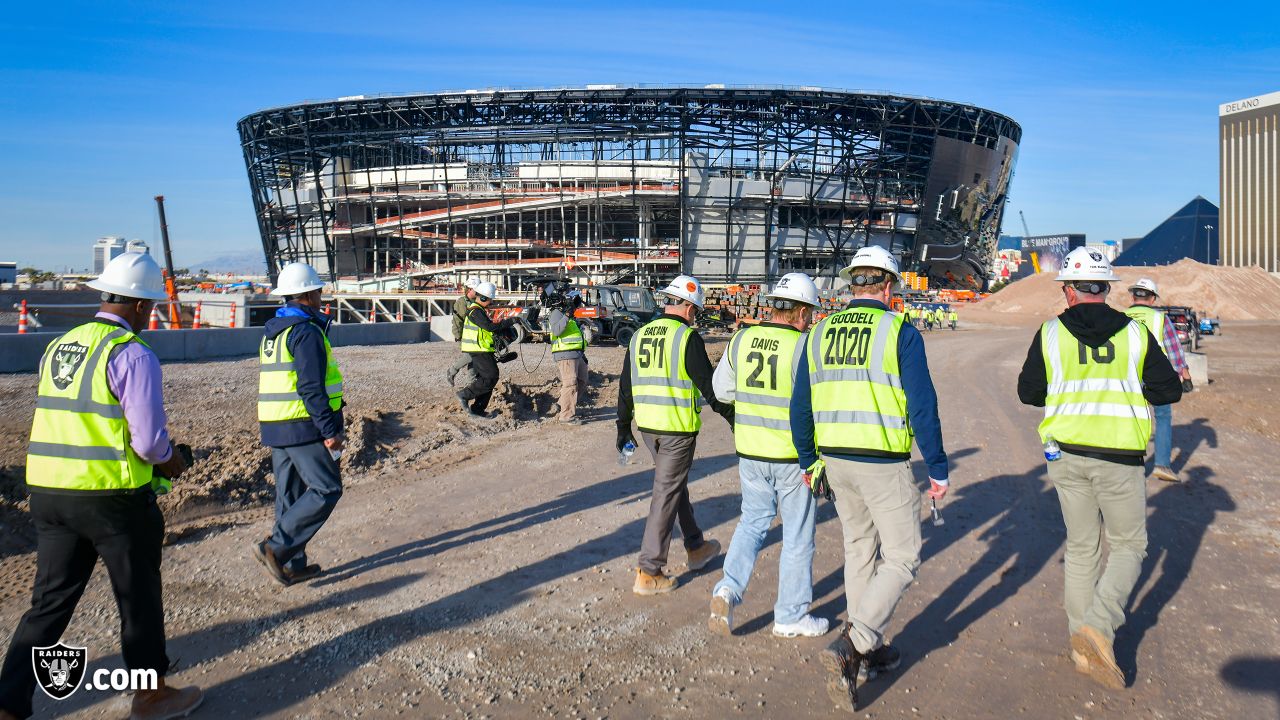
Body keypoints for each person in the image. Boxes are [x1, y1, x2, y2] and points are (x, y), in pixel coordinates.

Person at [0, 252, 202, 720]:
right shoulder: (131, 353)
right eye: (150, 306)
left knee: (48, 604)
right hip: (112, 499)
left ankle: (8, 704)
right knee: (138, 598)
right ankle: (150, 695)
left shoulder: (62, 345)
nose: (149, 315)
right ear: (138, 305)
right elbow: (150, 443)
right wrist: (172, 461)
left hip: (50, 493)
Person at [790, 245, 950, 710]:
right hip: (882, 461)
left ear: (852, 283)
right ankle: (855, 641)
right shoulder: (898, 330)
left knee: (860, 551)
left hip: (835, 461)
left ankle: (868, 653)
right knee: (903, 557)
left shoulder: (818, 332)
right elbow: (922, 406)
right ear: (888, 285)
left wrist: (808, 461)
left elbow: (802, 405)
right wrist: (937, 466)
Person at [1017, 248, 1182, 690]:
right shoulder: (1134, 333)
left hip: (1066, 455)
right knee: (1129, 546)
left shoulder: (1050, 333)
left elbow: (1029, 393)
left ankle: (1080, 642)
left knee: (1082, 547)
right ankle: (1099, 627)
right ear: (1106, 289)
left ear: (1069, 290)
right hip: (1119, 458)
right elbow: (1168, 390)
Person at [708, 273, 829, 639]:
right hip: (793, 458)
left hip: (750, 453)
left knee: (752, 523)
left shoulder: (742, 339)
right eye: (808, 312)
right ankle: (790, 616)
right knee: (797, 536)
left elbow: (721, 391)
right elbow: (818, 404)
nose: (809, 319)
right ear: (800, 312)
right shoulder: (804, 347)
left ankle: (727, 589)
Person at [617, 274, 733, 595]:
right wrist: (735, 419)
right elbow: (710, 389)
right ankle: (649, 571)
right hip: (676, 430)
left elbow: (625, 387)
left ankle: (696, 546)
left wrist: (622, 428)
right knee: (666, 492)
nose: (694, 314)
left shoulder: (640, 335)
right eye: (694, 309)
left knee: (672, 485)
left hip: (649, 427)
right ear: (689, 308)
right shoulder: (686, 338)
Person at [254, 262, 346, 587]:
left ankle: (292, 564)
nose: (321, 296)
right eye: (318, 290)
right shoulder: (306, 332)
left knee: (290, 495)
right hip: (302, 424)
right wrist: (329, 430)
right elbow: (311, 387)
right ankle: (275, 548)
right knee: (327, 488)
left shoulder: (274, 331)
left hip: (276, 425)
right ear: (308, 294)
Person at [1124, 278, 1192, 482]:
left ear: (1133, 296)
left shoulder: (1121, 317)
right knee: (1162, 417)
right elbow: (1174, 350)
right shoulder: (1160, 318)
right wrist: (1185, 374)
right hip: (1157, 376)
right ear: (1152, 298)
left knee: (1131, 418)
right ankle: (1162, 465)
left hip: (1128, 375)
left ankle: (1131, 466)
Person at [457, 281, 513, 418]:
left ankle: (478, 410)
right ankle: (464, 394)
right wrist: (510, 322)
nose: (491, 302)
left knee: (488, 379)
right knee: (491, 376)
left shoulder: (479, 311)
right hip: (478, 350)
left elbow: (487, 330)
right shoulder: (475, 311)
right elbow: (489, 327)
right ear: (482, 298)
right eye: (490, 299)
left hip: (483, 348)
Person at [547, 288, 589, 424]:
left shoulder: (570, 317)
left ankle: (561, 404)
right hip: (564, 355)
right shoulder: (556, 313)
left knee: (582, 380)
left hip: (576, 354)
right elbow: (557, 330)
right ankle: (566, 416)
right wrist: (566, 315)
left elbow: (576, 337)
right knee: (570, 383)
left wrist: (582, 354)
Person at [445, 278, 479, 386]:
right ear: (469, 289)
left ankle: (471, 383)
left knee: (475, 359)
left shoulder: (475, 302)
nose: (478, 292)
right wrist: (458, 336)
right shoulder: (461, 302)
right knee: (471, 356)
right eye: (476, 290)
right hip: (464, 336)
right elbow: (457, 321)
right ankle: (452, 370)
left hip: (474, 336)